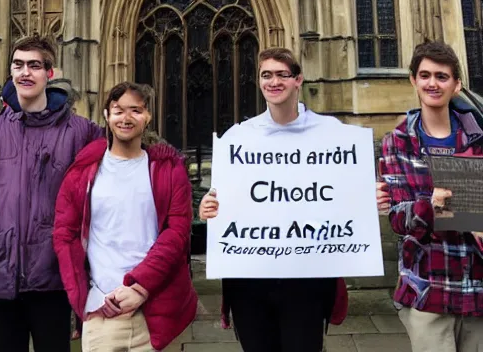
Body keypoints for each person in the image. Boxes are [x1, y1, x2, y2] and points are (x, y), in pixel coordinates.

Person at [0, 36, 103, 352]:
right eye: (18, 65)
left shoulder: (81, 131)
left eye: (34, 65)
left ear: (50, 73)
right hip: (0, 270)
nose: (25, 72)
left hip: (52, 273)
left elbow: (125, 162)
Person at [198, 47, 347, 352]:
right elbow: (223, 198)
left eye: (282, 74)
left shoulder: (331, 133)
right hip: (251, 280)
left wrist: (365, 199)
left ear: (298, 80)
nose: (274, 81)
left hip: (305, 278)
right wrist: (209, 207)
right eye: (267, 75)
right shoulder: (239, 137)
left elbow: (345, 194)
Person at [53, 81, 197, 351]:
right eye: (118, 111)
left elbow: (176, 234)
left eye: (136, 110)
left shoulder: (168, 171)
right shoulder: (82, 173)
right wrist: (82, 296)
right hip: (101, 310)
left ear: (148, 116)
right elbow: (65, 234)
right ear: (106, 116)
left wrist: (140, 287)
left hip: (156, 308)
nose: (126, 118)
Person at [375, 42, 483, 351]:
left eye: (441, 76)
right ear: (413, 80)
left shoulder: (478, 138)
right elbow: (397, 218)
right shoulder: (397, 142)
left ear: (456, 84)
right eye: (425, 75)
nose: (432, 83)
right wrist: (431, 204)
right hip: (429, 288)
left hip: (477, 286)